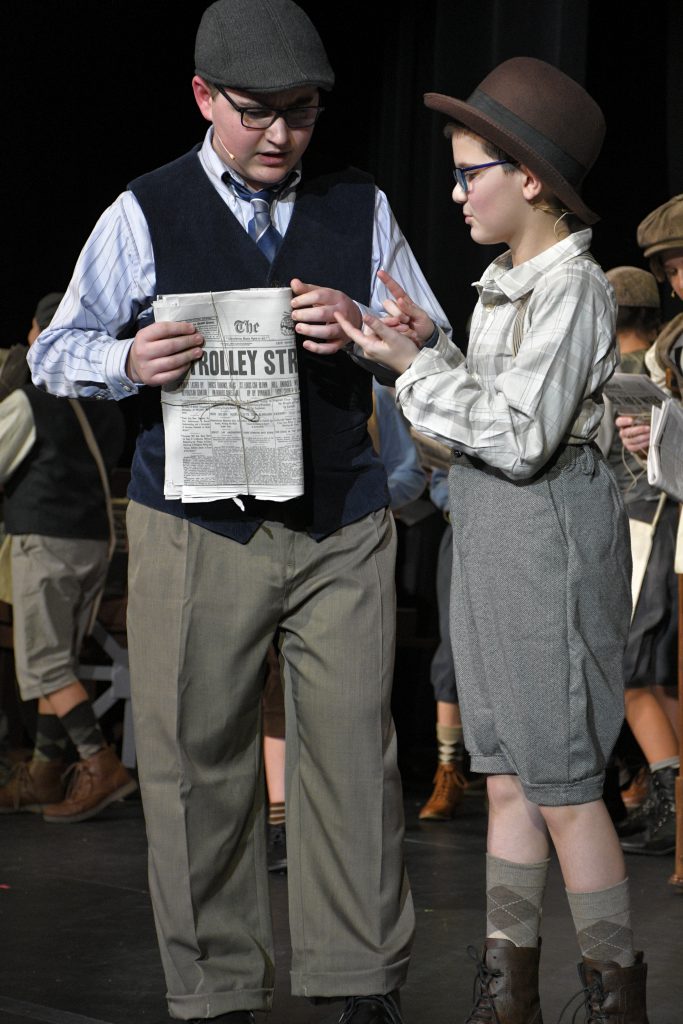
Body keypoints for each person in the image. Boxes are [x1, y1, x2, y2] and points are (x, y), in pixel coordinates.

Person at [28, 3, 450, 1022]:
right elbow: (55, 348)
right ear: (203, 97)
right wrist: (127, 358)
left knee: (355, 755)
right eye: (257, 112)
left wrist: (370, 328)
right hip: (194, 522)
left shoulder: (360, 204)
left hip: (339, 519)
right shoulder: (146, 208)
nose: (279, 136)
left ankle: (356, 981)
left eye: (300, 114)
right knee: (194, 763)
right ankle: (214, 986)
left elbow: (427, 335)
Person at [335, 57, 650, 1023]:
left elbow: (518, 439)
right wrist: (421, 351)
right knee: (507, 779)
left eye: (474, 171)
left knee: (561, 787)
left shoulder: (573, 290)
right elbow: (471, 423)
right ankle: (504, 988)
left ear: (530, 180)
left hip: (545, 551)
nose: (458, 190)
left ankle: (611, 996)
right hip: (490, 545)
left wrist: (412, 367)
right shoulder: (504, 287)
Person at [0, 293, 134, 822]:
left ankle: (100, 764)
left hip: (48, 539)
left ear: (37, 332)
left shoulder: (31, 397)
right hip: (95, 542)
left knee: (46, 664)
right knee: (63, 657)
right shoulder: (103, 397)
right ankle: (44, 773)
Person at [417, 467, 468, 821]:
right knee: (452, 651)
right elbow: (438, 474)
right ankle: (448, 769)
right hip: (463, 526)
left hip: (520, 523)